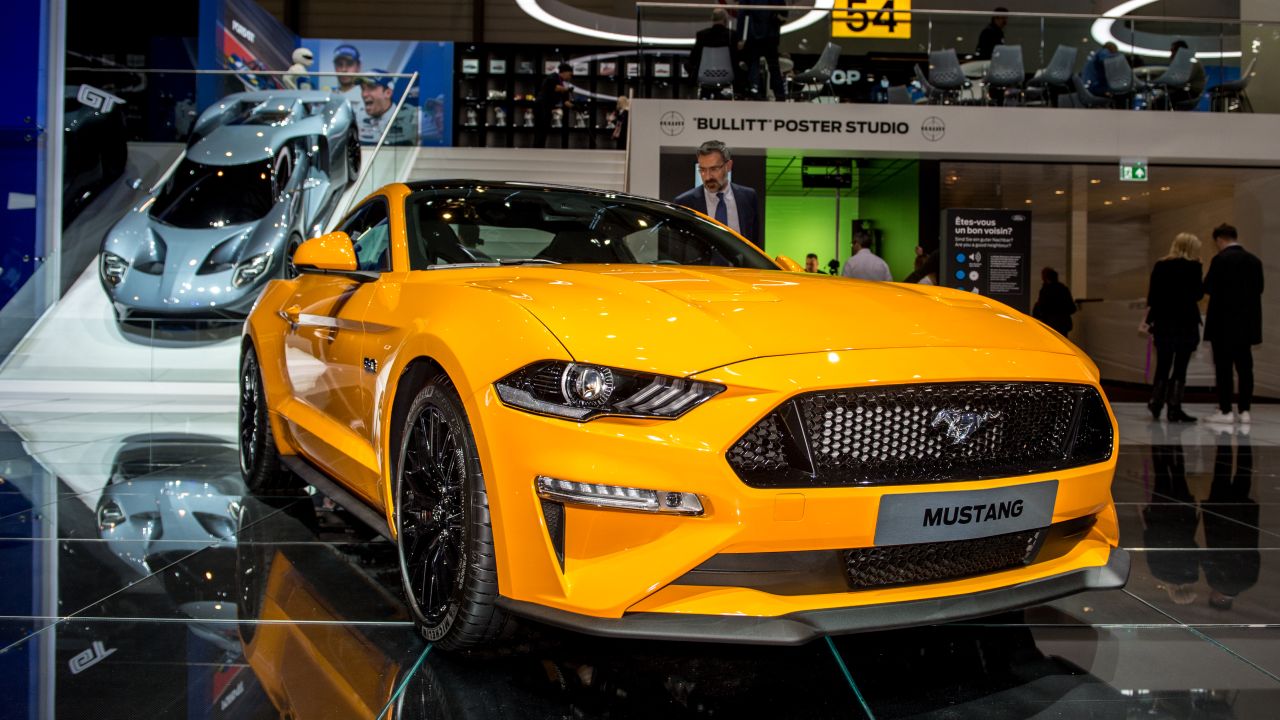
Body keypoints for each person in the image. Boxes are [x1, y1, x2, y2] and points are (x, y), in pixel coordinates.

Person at [1202, 223, 1264, 424]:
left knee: (1224, 368)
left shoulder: (1220, 260)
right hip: (1246, 325)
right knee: (1245, 367)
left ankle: (1226, 410)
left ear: (1219, 240)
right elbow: (1259, 288)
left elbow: (1208, 287)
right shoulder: (1254, 261)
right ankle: (1245, 409)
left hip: (1223, 324)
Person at [1144, 233, 1205, 422]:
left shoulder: (1161, 265)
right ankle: (1174, 406)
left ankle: (1156, 400)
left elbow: (1152, 296)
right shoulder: (1194, 267)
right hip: (1185, 323)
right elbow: (1197, 295)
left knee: (1163, 364)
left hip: (1164, 322)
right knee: (1180, 367)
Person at [672, 140, 761, 245]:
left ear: (728, 166)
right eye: (703, 170)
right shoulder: (684, 203)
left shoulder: (748, 197)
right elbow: (677, 247)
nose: (708, 177)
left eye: (714, 169)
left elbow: (755, 244)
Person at [737, 0, 787, 101]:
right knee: (774, 67)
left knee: (754, 64)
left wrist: (740, 37)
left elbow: (742, 14)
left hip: (754, 34)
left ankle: (755, 93)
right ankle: (780, 95)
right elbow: (784, 12)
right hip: (771, 34)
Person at [357, 72, 417, 145]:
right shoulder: (357, 116)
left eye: (371, 88)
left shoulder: (411, 115)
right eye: (363, 89)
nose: (364, 94)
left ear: (388, 93)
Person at [690, 8, 737, 97]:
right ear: (725, 20)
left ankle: (703, 95)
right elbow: (736, 58)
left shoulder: (701, 35)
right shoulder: (732, 35)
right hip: (728, 75)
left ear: (712, 19)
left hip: (704, 75)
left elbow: (693, 58)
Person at [535, 63, 575, 148]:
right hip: (541, 105)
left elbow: (565, 101)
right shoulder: (553, 77)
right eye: (570, 74)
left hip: (548, 107)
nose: (570, 77)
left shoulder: (562, 84)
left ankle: (541, 146)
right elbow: (554, 87)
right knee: (541, 127)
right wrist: (567, 89)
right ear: (564, 72)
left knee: (545, 127)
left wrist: (574, 107)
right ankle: (537, 147)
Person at [1031, 267, 1076, 336]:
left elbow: (1042, 306)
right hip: (1063, 323)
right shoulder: (1063, 289)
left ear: (1045, 277)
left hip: (1049, 323)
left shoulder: (1046, 290)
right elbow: (1072, 308)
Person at [1166, 40, 1207, 108]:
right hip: (1186, 91)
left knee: (1163, 100)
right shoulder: (1185, 62)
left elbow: (1182, 80)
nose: (1171, 54)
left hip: (1191, 93)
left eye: (1172, 51)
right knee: (1164, 98)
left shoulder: (1191, 62)